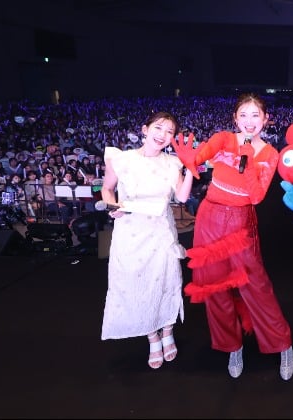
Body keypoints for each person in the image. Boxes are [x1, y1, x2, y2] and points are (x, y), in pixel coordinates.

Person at [172, 93, 293, 381]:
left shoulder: (270, 153)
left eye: (255, 115)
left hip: (240, 221)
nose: (249, 121)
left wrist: (248, 160)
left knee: (256, 286)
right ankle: (232, 346)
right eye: (243, 115)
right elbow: (198, 158)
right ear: (235, 118)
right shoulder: (223, 139)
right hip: (210, 218)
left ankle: (283, 344)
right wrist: (190, 160)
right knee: (215, 287)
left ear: (266, 119)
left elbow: (256, 196)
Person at [99, 111, 194, 370]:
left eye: (170, 132)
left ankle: (167, 331)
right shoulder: (121, 159)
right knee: (137, 283)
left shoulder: (172, 163)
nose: (163, 135)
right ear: (145, 129)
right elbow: (106, 189)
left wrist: (190, 168)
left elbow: (182, 198)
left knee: (166, 280)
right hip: (131, 232)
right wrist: (112, 206)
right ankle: (152, 335)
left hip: (160, 231)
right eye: (159, 128)